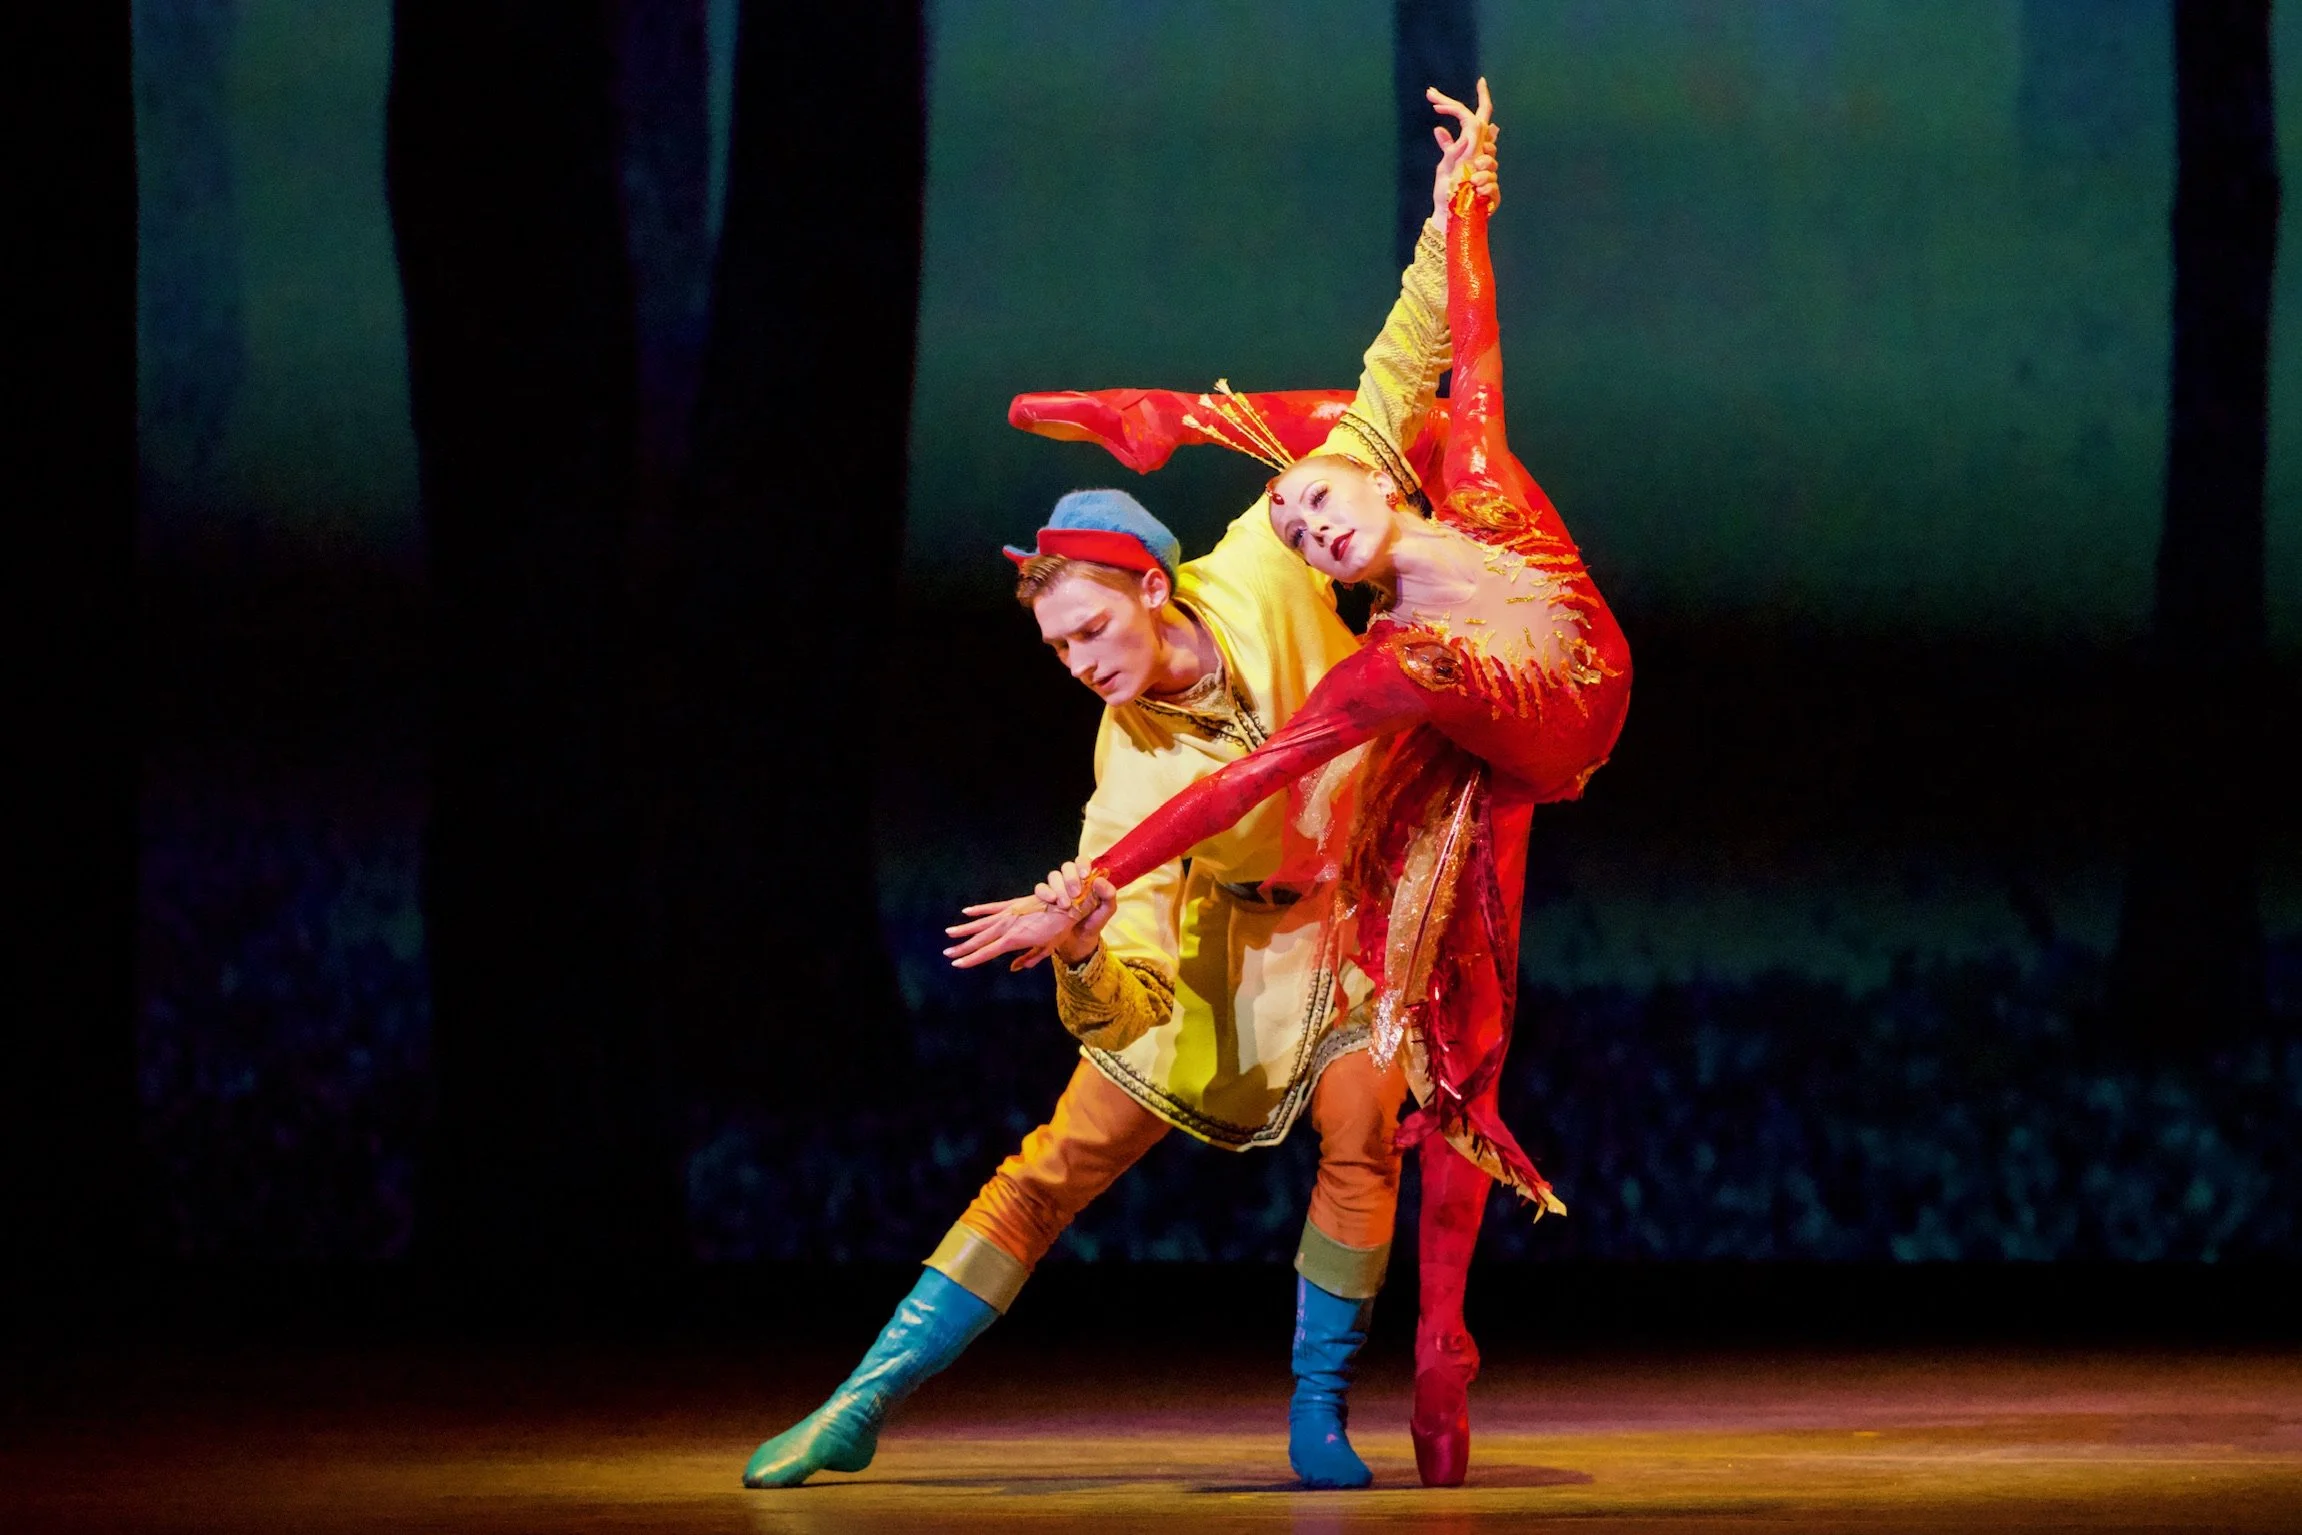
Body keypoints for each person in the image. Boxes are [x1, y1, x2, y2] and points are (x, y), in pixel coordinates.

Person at [744, 88, 1499, 1492]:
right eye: (1056, 649)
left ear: (1151, 591)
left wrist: (1451, 210)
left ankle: (1316, 1411)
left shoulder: (1274, 560)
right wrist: (1084, 949)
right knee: (1053, 1164)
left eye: (1091, 632)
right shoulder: (1124, 767)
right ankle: (857, 1398)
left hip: (1345, 925)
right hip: (1214, 953)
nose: (1081, 664)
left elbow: (1395, 383)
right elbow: (1129, 971)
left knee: (1359, 1137)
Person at [951, 82, 1632, 1487]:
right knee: (1459, 1051)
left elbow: (1449, 343)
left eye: (1320, 498)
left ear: (1380, 497)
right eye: (1304, 527)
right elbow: (1237, 782)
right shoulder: (1394, 669)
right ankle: (1439, 1344)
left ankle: (1171, 417)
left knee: (1399, 401)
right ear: (1350, 571)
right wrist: (1090, 886)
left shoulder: (1472, 471)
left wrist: (1466, 199)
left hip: (1582, 668)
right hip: (1496, 759)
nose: (1308, 512)